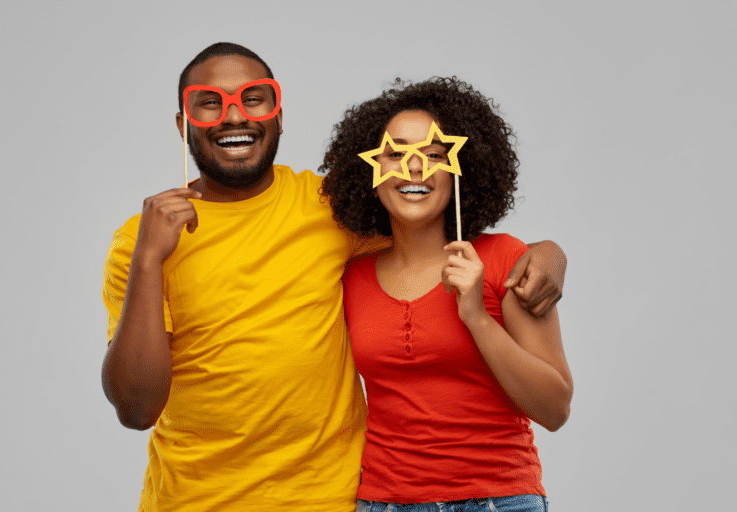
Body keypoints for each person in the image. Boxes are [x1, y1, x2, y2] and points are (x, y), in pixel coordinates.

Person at [101, 43, 568, 512]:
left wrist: (547, 253)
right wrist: (149, 258)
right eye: (210, 103)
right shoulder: (141, 243)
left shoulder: (329, 210)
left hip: (331, 500)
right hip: (193, 501)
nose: (235, 116)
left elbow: (423, 229)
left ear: (278, 116)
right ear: (184, 124)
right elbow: (136, 409)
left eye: (253, 99)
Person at [320, 77, 573, 512]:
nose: (414, 168)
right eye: (395, 153)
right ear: (371, 174)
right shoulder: (350, 277)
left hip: (498, 501)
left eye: (434, 154)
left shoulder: (503, 259)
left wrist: (477, 317)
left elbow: (555, 410)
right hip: (384, 502)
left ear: (459, 170)